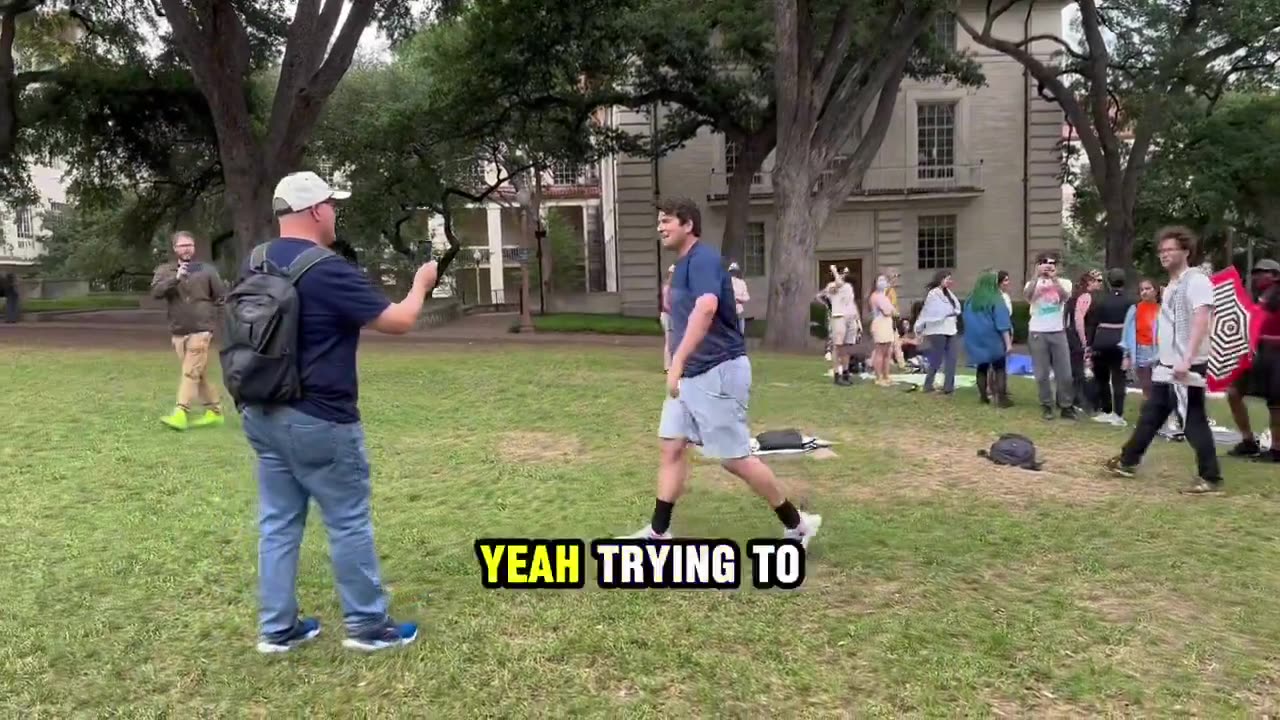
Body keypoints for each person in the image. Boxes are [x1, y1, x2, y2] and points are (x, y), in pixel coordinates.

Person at [239, 171, 439, 653]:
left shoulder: (255, 260)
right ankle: (369, 627)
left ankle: (278, 629)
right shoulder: (326, 269)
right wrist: (421, 284)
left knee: (278, 521)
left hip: (262, 411)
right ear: (315, 211)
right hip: (321, 419)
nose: (335, 212)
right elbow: (400, 321)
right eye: (332, 204)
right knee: (347, 519)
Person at [620, 197, 821, 546]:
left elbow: (706, 308)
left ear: (688, 224)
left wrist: (677, 361)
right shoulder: (682, 265)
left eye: (667, 221)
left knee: (734, 459)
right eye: (659, 221)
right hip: (690, 376)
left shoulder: (704, 259)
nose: (660, 227)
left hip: (719, 370)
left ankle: (798, 524)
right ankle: (658, 532)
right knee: (671, 447)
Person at [1107, 226, 1223, 495]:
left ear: (1185, 251)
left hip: (1186, 363)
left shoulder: (1197, 281)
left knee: (1193, 419)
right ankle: (1128, 461)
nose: (1164, 254)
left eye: (1170, 249)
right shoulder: (1170, 287)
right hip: (1167, 363)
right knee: (1152, 414)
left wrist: (1188, 358)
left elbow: (1201, 319)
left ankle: (1211, 477)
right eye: (1162, 250)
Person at [149, 231, 228, 431]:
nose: (187, 249)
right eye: (182, 246)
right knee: (197, 373)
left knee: (190, 372)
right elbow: (156, 292)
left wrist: (213, 320)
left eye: (190, 245)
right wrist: (175, 278)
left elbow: (220, 297)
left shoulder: (207, 270)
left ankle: (181, 412)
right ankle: (215, 411)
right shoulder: (165, 270)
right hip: (178, 330)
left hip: (201, 329)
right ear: (175, 248)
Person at [1226, 258, 1280, 462]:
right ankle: (1248, 441)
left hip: (1276, 356)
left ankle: (1276, 449)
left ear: (1275, 275)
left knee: (1276, 403)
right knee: (1233, 392)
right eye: (1254, 272)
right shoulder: (1261, 296)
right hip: (1257, 354)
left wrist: (1263, 338)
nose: (1256, 276)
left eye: (1261, 272)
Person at [1024, 253, 1077, 420]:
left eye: (1052, 263)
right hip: (1037, 332)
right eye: (1044, 263)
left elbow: (1064, 297)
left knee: (1065, 373)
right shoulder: (1032, 283)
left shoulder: (1064, 283)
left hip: (1058, 331)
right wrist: (1036, 276)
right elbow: (1027, 297)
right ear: (1038, 265)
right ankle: (1046, 404)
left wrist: (1053, 280)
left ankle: (1066, 406)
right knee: (1041, 374)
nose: (1049, 266)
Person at [1086, 268, 1134, 427]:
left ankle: (1107, 411)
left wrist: (1089, 345)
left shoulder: (1100, 300)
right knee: (1119, 378)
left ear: (1108, 282)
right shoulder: (1131, 301)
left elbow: (1092, 325)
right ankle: (1118, 414)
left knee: (1102, 378)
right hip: (1121, 340)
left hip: (1102, 340)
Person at [963, 270, 1014, 407]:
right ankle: (1002, 399)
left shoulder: (970, 300)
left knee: (981, 367)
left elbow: (965, 320)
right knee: (999, 368)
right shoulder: (996, 299)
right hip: (993, 339)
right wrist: (1008, 344)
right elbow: (1003, 324)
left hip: (975, 339)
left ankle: (983, 397)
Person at [915, 270, 961, 394]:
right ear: (940, 279)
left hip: (950, 329)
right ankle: (928, 384)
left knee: (952, 358)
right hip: (937, 330)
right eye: (946, 278)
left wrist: (952, 312)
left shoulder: (949, 294)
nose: (949, 281)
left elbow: (956, 308)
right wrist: (948, 312)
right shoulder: (933, 294)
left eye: (950, 279)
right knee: (937, 358)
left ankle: (948, 387)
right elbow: (933, 311)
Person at [1067, 269, 1103, 415]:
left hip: (1070, 335)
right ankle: (1079, 401)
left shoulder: (1074, 296)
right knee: (1080, 372)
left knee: (1074, 370)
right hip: (1081, 336)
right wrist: (1084, 341)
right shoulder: (1086, 296)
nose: (1101, 284)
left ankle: (1072, 399)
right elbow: (1079, 319)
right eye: (1098, 280)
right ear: (1090, 282)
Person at [818, 265, 861, 385]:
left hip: (850, 318)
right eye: (843, 272)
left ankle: (846, 372)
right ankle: (838, 374)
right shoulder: (832, 285)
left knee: (847, 347)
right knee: (838, 346)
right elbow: (834, 285)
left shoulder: (848, 287)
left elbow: (852, 304)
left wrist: (858, 321)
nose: (845, 275)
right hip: (839, 317)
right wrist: (834, 270)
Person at [1122, 278, 1161, 400]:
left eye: (1148, 289)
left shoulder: (1162, 309)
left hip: (1158, 351)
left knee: (1160, 385)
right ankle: (1148, 410)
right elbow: (1126, 333)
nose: (1144, 292)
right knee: (1146, 385)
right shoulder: (1135, 309)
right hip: (1140, 351)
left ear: (1156, 291)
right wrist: (1126, 355)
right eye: (1142, 289)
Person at [867, 275, 897, 386]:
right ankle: (878, 377)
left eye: (884, 280)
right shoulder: (875, 296)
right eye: (880, 280)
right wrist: (891, 310)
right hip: (880, 323)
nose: (883, 282)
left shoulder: (884, 296)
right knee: (880, 351)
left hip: (887, 323)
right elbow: (887, 311)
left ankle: (886, 375)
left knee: (888, 352)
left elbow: (893, 310)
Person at [728, 261, 750, 336]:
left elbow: (747, 297)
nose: (733, 273)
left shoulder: (742, 283)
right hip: (730, 309)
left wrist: (739, 299)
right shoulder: (727, 282)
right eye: (732, 271)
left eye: (735, 271)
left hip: (739, 309)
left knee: (741, 331)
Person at [660, 264, 675, 372]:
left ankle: (674, 365)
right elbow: (666, 305)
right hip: (668, 315)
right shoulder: (667, 288)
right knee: (669, 341)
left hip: (673, 315)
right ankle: (668, 366)